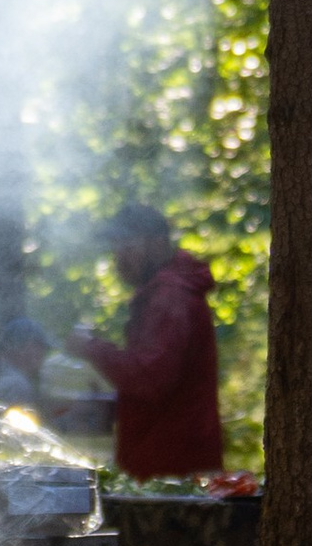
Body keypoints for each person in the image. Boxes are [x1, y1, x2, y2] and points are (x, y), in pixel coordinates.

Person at [68, 203, 223, 480]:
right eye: (115, 246)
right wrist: (114, 407)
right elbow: (161, 382)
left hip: (171, 470)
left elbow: (148, 378)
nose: (119, 256)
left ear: (158, 243)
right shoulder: (164, 293)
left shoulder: (169, 297)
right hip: (167, 462)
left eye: (127, 244)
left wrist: (90, 347)